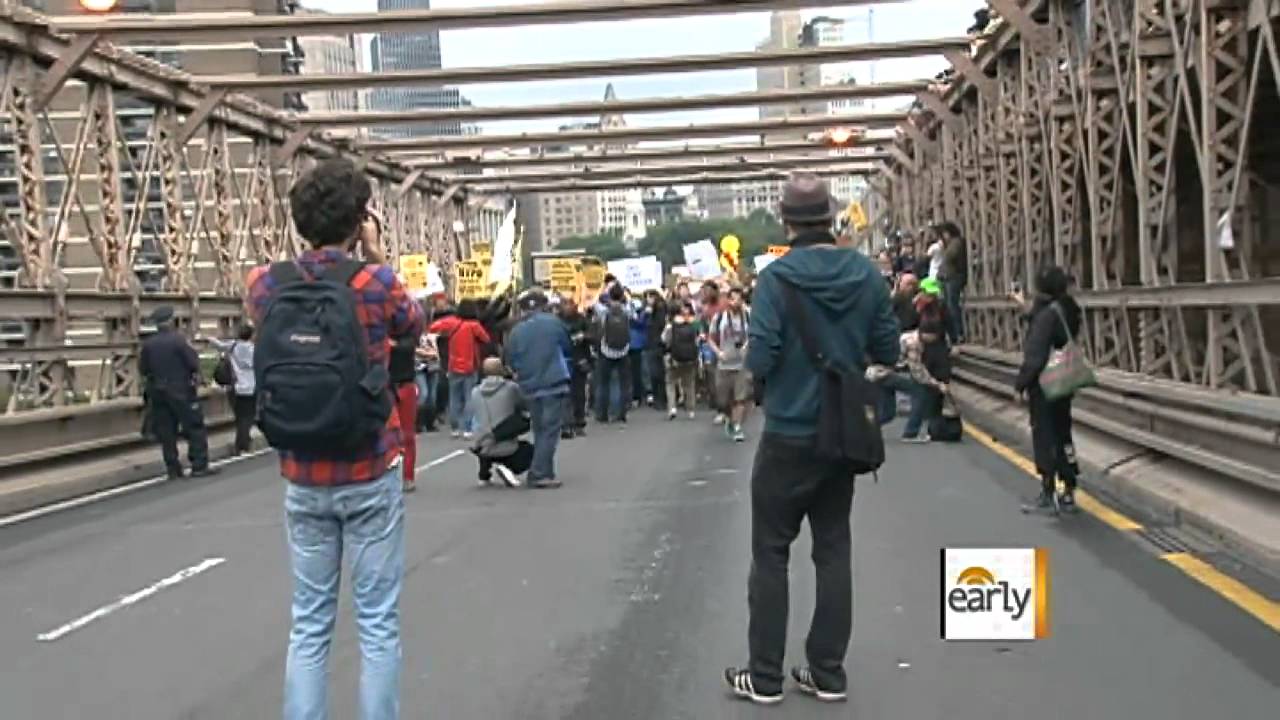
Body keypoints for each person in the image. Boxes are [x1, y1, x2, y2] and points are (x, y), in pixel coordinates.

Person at [245, 158, 423, 720]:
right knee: (376, 621)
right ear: (360, 218)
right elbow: (414, 324)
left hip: (301, 470)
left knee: (310, 621)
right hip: (368, 465)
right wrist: (374, 254)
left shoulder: (264, 283)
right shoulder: (377, 284)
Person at [725, 173, 898, 706]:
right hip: (841, 435)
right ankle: (826, 670)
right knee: (833, 550)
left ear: (786, 221)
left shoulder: (777, 280)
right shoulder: (866, 274)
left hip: (788, 433)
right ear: (832, 216)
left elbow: (761, 358)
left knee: (771, 553)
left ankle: (766, 676)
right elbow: (887, 349)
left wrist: (758, 388)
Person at [1015, 265, 1083, 513]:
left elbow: (1035, 354)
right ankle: (1069, 487)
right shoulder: (1069, 309)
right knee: (1063, 432)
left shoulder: (1045, 315)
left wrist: (1021, 383)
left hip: (1044, 384)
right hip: (1063, 381)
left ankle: (1048, 490)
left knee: (1044, 434)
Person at [505, 289, 571, 488]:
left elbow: (510, 358)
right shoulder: (553, 323)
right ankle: (540, 472)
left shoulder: (515, 330)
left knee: (540, 428)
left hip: (529, 385)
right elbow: (566, 346)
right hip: (553, 381)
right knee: (550, 430)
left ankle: (544, 469)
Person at [140, 306, 215, 479]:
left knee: (167, 431)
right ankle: (199, 465)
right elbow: (192, 363)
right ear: (171, 321)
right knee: (195, 426)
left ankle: (173, 468)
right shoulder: (179, 341)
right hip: (180, 390)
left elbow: (143, 369)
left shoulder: (148, 345)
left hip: (158, 392)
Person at [430, 299, 491, 439]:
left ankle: (455, 428)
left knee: (454, 397)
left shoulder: (451, 323)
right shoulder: (474, 326)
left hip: (453, 365)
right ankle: (467, 428)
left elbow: (433, 328)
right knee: (469, 397)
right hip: (470, 365)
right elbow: (486, 339)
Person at [470, 357, 533, 489]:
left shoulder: (475, 392)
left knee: (484, 430)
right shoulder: (511, 388)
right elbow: (524, 405)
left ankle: (484, 474)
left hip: (482, 445)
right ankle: (507, 467)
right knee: (531, 450)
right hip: (506, 445)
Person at [707, 286, 752, 442]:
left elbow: (754, 334)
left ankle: (737, 426)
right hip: (724, 364)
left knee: (740, 398)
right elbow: (710, 338)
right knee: (723, 400)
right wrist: (718, 352)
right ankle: (728, 417)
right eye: (732, 298)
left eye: (739, 299)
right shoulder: (720, 317)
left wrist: (747, 346)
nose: (736, 302)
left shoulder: (747, 315)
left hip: (741, 364)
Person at [208, 323, 256, 455]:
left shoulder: (233, 345)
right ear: (251, 336)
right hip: (251, 387)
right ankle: (242, 444)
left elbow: (217, 345)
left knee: (240, 417)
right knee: (248, 417)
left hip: (235, 387)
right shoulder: (254, 350)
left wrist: (209, 337)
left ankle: (241, 443)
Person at [592, 284, 632, 424]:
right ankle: (620, 412)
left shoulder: (604, 311)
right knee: (621, 383)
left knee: (603, 383)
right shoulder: (626, 310)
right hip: (623, 350)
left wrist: (600, 291)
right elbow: (633, 311)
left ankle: (602, 413)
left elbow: (594, 304)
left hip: (606, 350)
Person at [389, 332, 419, 492]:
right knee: (385, 434)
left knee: (407, 435)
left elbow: (406, 348)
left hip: (404, 385)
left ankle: (408, 476)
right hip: (387, 386)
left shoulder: (408, 338)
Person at [558, 299, 592, 438]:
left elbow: (594, 334)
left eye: (569, 304)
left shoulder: (582, 320)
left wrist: (584, 336)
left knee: (579, 393)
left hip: (579, 359)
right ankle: (566, 424)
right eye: (564, 305)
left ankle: (579, 422)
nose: (567, 307)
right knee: (565, 394)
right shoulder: (557, 321)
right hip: (562, 361)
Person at [661, 301, 700, 420]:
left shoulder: (670, 325)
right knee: (689, 383)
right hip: (690, 358)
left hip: (674, 358)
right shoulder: (693, 324)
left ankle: (672, 408)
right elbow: (697, 340)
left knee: (670, 382)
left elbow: (664, 340)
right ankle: (691, 410)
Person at [936, 221, 968, 344]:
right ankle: (954, 333)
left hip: (953, 278)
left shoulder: (956, 243)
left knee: (952, 305)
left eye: (944, 233)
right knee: (948, 305)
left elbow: (950, 256)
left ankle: (958, 332)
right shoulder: (950, 244)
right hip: (947, 278)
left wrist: (942, 247)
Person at [644, 290, 668, 410]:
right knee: (661, 372)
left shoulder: (655, 311)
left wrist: (648, 314)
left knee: (655, 372)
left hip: (654, 343)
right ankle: (662, 399)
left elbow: (650, 325)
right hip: (660, 343)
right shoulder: (663, 308)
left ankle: (658, 399)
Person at [627, 294, 651, 406]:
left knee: (636, 373)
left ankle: (637, 396)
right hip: (637, 345)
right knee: (637, 372)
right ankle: (638, 395)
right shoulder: (643, 315)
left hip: (634, 346)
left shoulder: (634, 317)